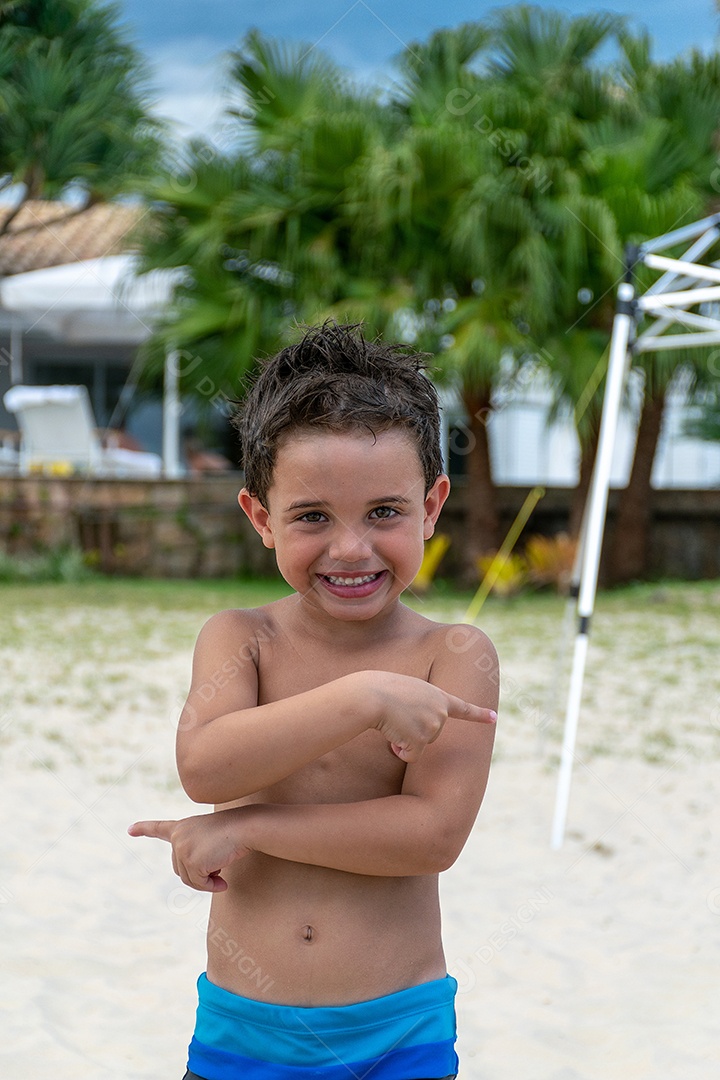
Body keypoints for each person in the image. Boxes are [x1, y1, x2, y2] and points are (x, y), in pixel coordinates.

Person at [129, 322, 499, 1080]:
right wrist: (359, 698)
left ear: (432, 506)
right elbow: (205, 767)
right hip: (242, 1032)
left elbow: (431, 838)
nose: (352, 548)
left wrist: (252, 826)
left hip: (398, 1033)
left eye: (385, 512)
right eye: (312, 516)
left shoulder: (453, 655)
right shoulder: (241, 638)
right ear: (262, 518)